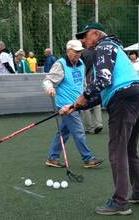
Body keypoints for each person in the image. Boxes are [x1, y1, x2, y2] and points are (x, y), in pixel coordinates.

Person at [61, 22, 139, 216]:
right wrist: (76, 106)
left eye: (84, 36)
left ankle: (120, 202)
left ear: (95, 34)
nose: (83, 41)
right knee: (130, 149)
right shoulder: (114, 47)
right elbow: (102, 92)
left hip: (124, 100)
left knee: (117, 152)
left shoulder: (103, 47)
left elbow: (103, 79)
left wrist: (83, 96)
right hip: (138, 96)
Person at [42, 39, 103, 169]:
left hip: (78, 104)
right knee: (79, 131)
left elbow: (81, 82)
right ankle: (88, 158)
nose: (78, 54)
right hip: (65, 105)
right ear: (68, 51)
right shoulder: (61, 64)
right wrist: (49, 88)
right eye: (75, 52)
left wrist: (86, 95)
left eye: (80, 52)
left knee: (63, 132)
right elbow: (48, 80)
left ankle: (52, 158)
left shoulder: (81, 63)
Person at [81, 48, 103, 134]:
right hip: (96, 79)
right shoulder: (97, 51)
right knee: (96, 103)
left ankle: (89, 128)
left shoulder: (81, 54)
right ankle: (99, 123)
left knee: (85, 104)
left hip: (85, 80)